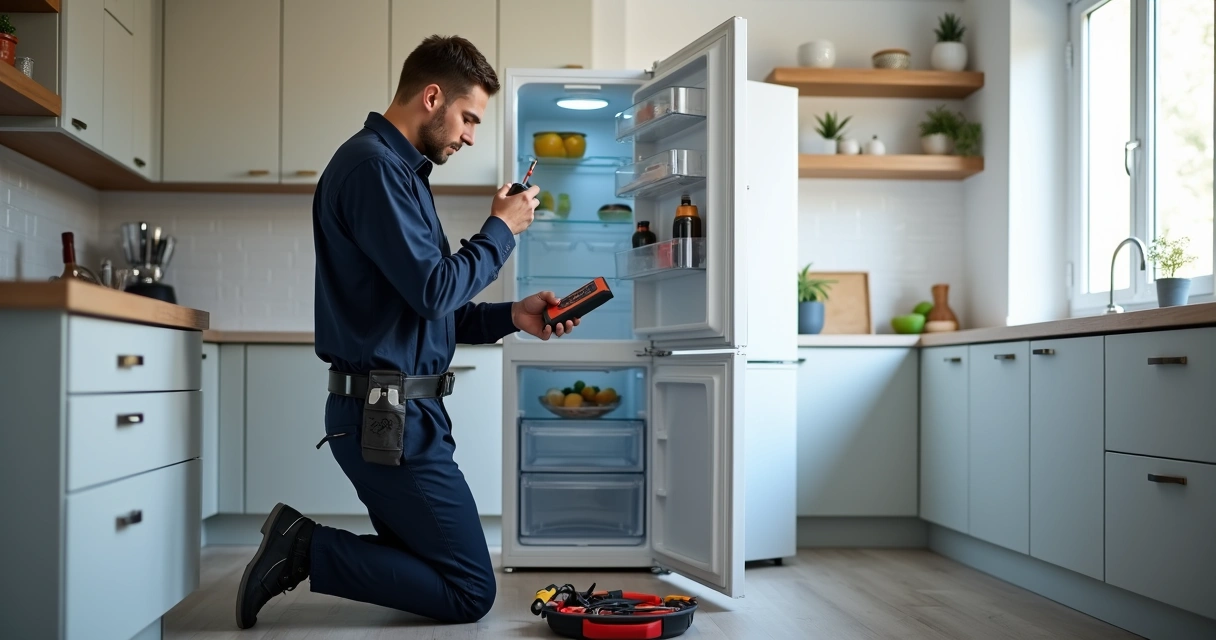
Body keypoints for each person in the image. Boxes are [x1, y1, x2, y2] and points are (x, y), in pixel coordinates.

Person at [234, 34, 578, 629]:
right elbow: (434, 288)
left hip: (401, 413)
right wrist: (502, 230)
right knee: (470, 590)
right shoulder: (373, 168)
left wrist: (512, 315)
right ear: (433, 96)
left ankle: (302, 547)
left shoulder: (401, 172)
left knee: (434, 564)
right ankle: (303, 547)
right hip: (385, 415)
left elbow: (430, 305)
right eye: (468, 117)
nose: (470, 135)